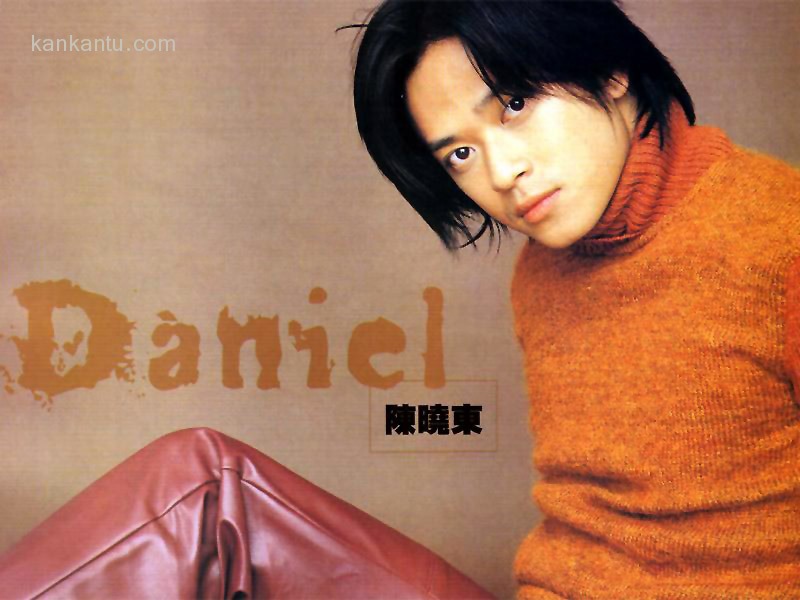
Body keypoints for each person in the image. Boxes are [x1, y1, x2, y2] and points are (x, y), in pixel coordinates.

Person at [348, 0, 800, 597]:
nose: (502, 172)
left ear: (609, 69)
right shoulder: (539, 275)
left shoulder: (777, 238)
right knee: (227, 493)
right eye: (460, 154)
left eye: (514, 104)